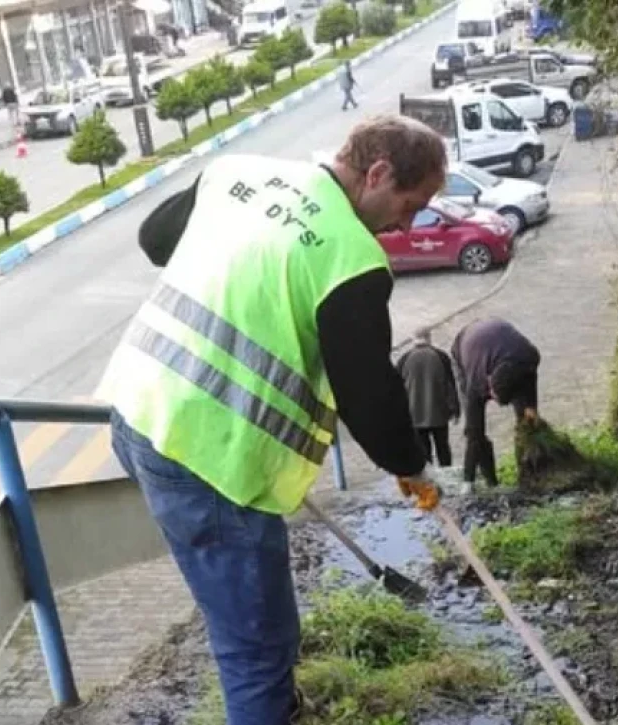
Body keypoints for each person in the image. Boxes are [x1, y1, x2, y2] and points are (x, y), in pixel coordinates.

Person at [97, 114, 449, 725]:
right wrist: (411, 468)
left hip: (138, 413)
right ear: (378, 172)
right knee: (256, 650)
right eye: (409, 204)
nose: (407, 224)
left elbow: (156, 240)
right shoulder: (352, 257)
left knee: (254, 623)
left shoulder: (241, 173)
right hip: (212, 461)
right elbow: (369, 398)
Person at [450, 317, 541, 487]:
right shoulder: (476, 380)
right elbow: (473, 433)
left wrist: (530, 412)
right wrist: (467, 483)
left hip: (503, 348)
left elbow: (530, 409)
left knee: (526, 423)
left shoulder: (530, 358)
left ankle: (527, 475)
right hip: (465, 347)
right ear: (490, 382)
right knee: (474, 431)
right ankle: (484, 481)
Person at [396, 327, 460, 466]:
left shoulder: (404, 360)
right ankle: (446, 476)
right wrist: (455, 409)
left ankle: (429, 483)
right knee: (443, 448)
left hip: (415, 416)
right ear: (429, 338)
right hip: (439, 414)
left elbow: (397, 391)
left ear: (413, 340)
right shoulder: (441, 356)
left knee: (424, 452)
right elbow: (450, 385)